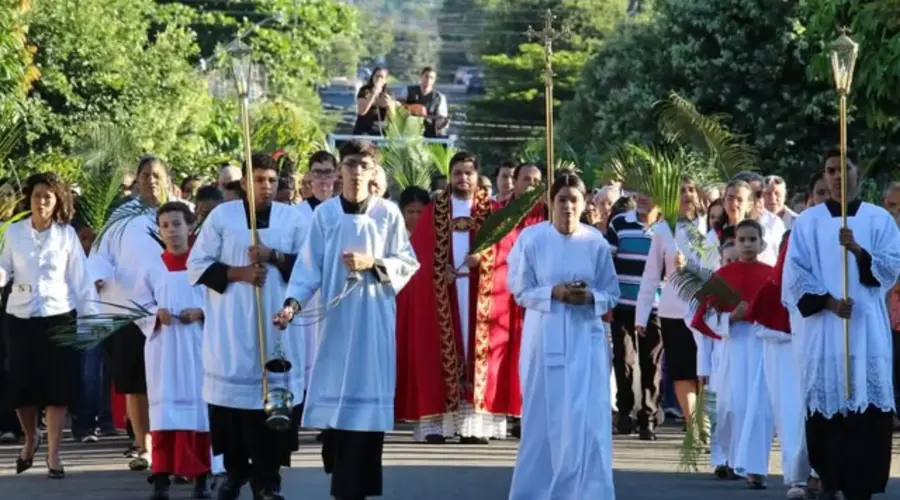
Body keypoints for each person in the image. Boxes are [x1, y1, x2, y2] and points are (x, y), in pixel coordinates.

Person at [273, 139, 419, 500]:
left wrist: (373, 263)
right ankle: (341, 474)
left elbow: (407, 262)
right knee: (337, 412)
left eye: (363, 165)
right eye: (351, 163)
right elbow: (308, 267)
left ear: (373, 171)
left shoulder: (388, 214)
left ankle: (353, 488)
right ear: (341, 169)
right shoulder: (325, 215)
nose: (356, 171)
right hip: (336, 324)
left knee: (365, 415)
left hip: (373, 322)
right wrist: (292, 304)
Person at [187, 152, 307, 500]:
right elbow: (197, 264)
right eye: (258, 180)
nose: (265, 186)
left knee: (273, 403)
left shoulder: (293, 218)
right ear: (244, 182)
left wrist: (274, 257)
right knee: (233, 408)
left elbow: (310, 266)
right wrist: (239, 273)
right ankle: (235, 471)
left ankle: (268, 478)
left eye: (271, 180)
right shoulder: (222, 216)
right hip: (232, 324)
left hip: (276, 321)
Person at [782, 149, 900, 500]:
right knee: (829, 406)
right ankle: (829, 481)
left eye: (843, 169)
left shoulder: (879, 219)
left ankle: (862, 485)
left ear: (857, 173)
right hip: (826, 329)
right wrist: (829, 302)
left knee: (866, 405)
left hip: (866, 328)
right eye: (830, 170)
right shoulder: (808, 221)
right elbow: (795, 274)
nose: (836, 176)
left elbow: (891, 266)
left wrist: (859, 251)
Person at [506, 173, 620, 500]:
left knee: (586, 419)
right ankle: (538, 491)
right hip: (544, 337)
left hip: (586, 339)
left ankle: (587, 492)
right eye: (562, 199)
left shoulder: (595, 242)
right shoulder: (532, 239)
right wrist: (552, 292)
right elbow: (519, 289)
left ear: (585, 204)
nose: (568, 206)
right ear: (550, 202)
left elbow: (611, 293)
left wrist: (590, 297)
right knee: (543, 418)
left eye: (574, 200)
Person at [395, 152, 520, 444]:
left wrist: (484, 258)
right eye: (457, 173)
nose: (463, 178)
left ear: (477, 176)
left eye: (468, 173)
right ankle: (437, 425)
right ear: (450, 177)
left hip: (481, 295)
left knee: (478, 353)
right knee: (436, 353)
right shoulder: (434, 211)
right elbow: (417, 255)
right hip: (444, 293)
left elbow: (508, 253)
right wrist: (438, 271)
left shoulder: (492, 212)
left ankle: (475, 426)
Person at [0, 172, 100, 478]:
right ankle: (31, 437)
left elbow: (81, 281)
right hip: (21, 316)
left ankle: (54, 454)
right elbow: (4, 268)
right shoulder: (14, 232)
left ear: (57, 201)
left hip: (59, 316)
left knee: (58, 387)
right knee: (22, 386)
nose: (41, 202)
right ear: (29, 200)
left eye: (47, 197)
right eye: (36, 196)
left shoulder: (66, 235)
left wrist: (92, 320)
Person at [89, 156, 170, 470]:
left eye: (157, 175)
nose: (151, 181)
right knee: (135, 382)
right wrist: (98, 275)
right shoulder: (122, 216)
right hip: (128, 308)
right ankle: (144, 444)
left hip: (168, 309)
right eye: (146, 175)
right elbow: (101, 253)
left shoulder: (178, 213)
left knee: (167, 380)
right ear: (137, 180)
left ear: (167, 180)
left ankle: (171, 443)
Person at [134, 202, 211, 499]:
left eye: (177, 224)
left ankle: (202, 476)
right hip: (164, 349)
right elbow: (138, 306)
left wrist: (202, 312)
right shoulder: (152, 266)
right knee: (164, 413)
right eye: (165, 225)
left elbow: (221, 302)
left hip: (197, 346)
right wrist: (156, 314)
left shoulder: (204, 265)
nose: (171, 231)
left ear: (190, 227)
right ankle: (162, 476)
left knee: (199, 412)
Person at [691, 219, 775, 489]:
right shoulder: (722, 277)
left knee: (760, 409)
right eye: (742, 240)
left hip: (762, 346)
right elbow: (705, 316)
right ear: (735, 243)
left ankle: (755, 468)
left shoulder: (772, 275)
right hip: (732, 346)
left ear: (762, 243)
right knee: (731, 407)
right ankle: (730, 457)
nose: (748, 244)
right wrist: (731, 318)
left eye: (753, 239)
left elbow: (781, 312)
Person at [634, 178, 706, 440]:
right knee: (683, 372)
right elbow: (651, 274)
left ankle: (705, 422)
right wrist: (642, 315)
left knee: (706, 372)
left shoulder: (709, 226)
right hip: (673, 311)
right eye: (681, 191)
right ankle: (695, 427)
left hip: (706, 311)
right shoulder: (664, 229)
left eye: (691, 190)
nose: (686, 195)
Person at [744, 232, 812, 499]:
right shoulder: (773, 287)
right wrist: (790, 333)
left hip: (813, 356)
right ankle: (796, 477)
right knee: (791, 417)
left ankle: (819, 475)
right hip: (783, 359)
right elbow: (761, 325)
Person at [606, 190, 663, 438]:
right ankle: (625, 413)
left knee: (652, 362)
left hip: (655, 306)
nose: (642, 197)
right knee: (624, 359)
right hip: (623, 303)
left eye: (648, 192)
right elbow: (608, 262)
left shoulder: (667, 227)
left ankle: (648, 417)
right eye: (639, 192)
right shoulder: (619, 223)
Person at [403, 67, 450, 138]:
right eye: (426, 76)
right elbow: (398, 106)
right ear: (421, 76)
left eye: (431, 78)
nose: (428, 80)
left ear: (434, 80)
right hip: (409, 130)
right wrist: (413, 109)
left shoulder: (440, 97)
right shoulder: (408, 91)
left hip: (430, 133)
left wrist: (425, 117)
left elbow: (442, 119)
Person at [353, 67, 394, 136]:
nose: (378, 79)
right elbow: (362, 111)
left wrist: (389, 105)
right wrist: (374, 93)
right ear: (372, 77)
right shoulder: (365, 91)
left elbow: (391, 117)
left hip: (380, 131)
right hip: (363, 131)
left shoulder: (388, 93)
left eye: (381, 77)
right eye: (376, 76)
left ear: (385, 80)